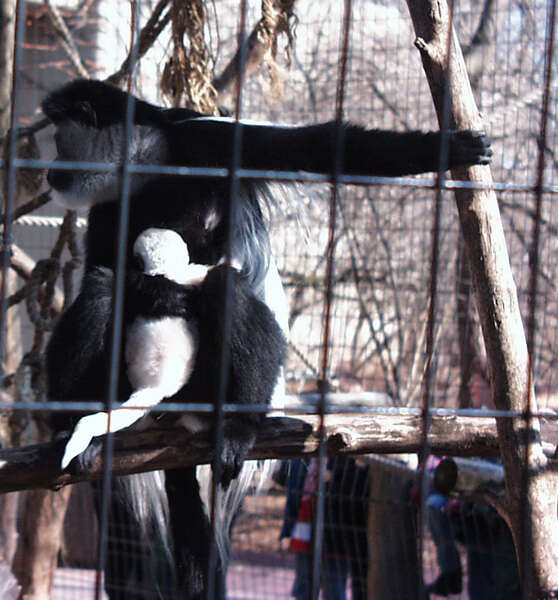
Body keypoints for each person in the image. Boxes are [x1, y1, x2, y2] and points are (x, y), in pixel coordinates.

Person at [277, 457, 370, 600]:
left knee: (334, 589)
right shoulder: (303, 459)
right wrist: (287, 531)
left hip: (337, 536)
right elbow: (292, 493)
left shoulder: (347, 460)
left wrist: (334, 478)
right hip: (305, 529)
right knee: (303, 587)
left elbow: (358, 488)